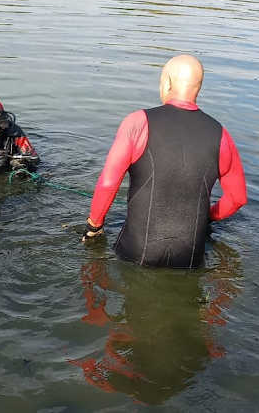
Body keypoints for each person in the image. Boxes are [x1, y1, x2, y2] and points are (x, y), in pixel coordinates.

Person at [82, 55, 247, 268]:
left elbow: (108, 182)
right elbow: (237, 198)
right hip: (191, 259)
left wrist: (94, 226)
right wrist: (208, 218)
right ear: (198, 88)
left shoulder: (138, 122)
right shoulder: (221, 135)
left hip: (135, 254)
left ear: (167, 83)